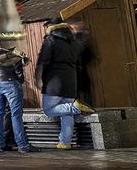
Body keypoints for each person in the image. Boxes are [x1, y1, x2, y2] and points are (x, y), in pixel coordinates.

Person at [35, 16, 93, 149]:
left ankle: (76, 107)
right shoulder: (74, 40)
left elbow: (42, 61)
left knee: (48, 110)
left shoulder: (51, 40)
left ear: (51, 27)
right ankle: (65, 142)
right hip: (71, 80)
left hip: (54, 82)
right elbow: (79, 63)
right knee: (66, 114)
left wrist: (38, 79)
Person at [0, 54, 36, 153]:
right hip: (10, 83)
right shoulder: (15, 55)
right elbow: (20, 75)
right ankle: (22, 145)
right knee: (16, 115)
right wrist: (20, 79)